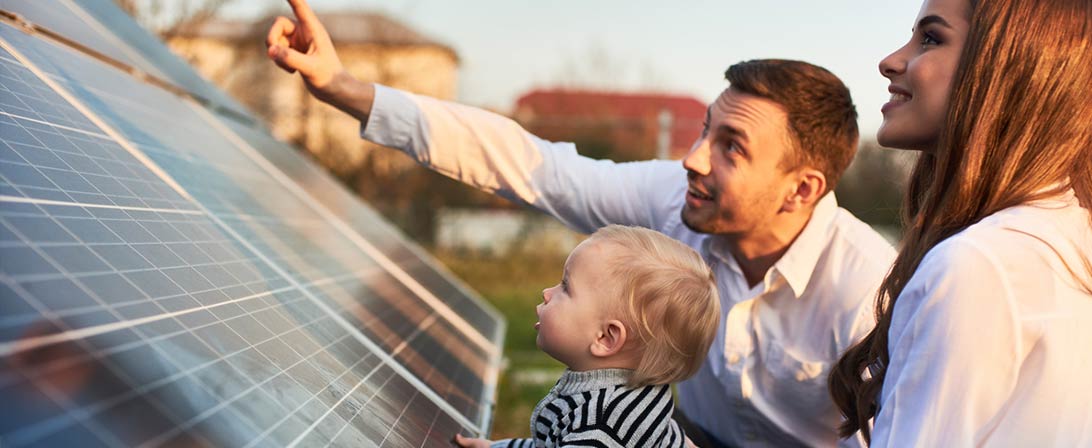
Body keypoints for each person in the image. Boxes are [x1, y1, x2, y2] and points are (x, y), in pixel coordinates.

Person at [266, 1, 897, 445]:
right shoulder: (677, 201)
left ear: (802, 189)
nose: (693, 156)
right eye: (707, 128)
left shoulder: (868, 290)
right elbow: (531, 165)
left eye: (732, 146)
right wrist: (344, 88)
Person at [828, 0, 1092, 445]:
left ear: (1010, 67)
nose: (890, 61)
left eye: (931, 38)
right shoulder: (1067, 232)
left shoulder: (980, 265)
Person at [452, 225, 719, 447]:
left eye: (566, 287)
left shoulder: (602, 427)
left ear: (606, 338)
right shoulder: (617, 391)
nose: (547, 292)